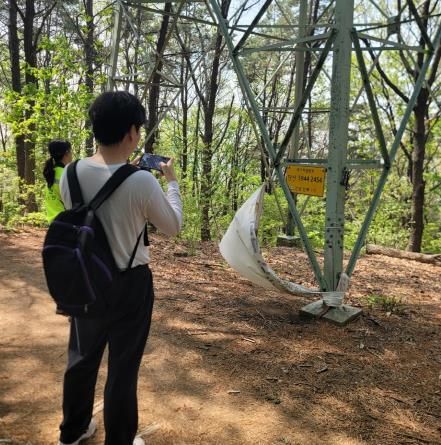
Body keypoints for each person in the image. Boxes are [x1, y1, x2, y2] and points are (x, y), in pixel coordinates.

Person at [57, 91, 182, 445]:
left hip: (85, 278)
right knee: (123, 367)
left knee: (81, 359)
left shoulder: (71, 173)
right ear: (131, 133)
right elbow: (172, 226)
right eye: (138, 129)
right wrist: (171, 183)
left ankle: (72, 431)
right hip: (130, 284)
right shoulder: (142, 181)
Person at [43, 140, 72, 222]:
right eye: (71, 152)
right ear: (66, 153)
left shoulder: (51, 173)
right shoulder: (67, 174)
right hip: (65, 221)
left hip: (53, 223)